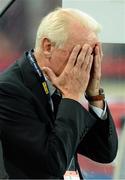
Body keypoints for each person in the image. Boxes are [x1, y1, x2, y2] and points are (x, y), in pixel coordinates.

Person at [0, 8, 118, 179]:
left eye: (93, 54)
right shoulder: (9, 91)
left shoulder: (60, 84)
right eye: (80, 53)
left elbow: (104, 152)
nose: (88, 63)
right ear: (48, 47)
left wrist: (94, 95)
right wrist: (71, 96)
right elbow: (52, 164)